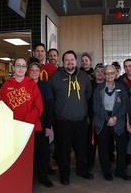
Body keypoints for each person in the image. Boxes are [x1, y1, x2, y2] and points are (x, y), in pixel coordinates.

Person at [49, 50, 93, 185]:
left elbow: (88, 94)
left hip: (80, 120)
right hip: (63, 121)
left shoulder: (84, 76)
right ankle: (65, 173)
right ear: (63, 62)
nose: (69, 62)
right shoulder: (55, 77)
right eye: (67, 60)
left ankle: (82, 170)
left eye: (72, 59)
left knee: (81, 148)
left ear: (75, 61)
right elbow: (52, 99)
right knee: (63, 150)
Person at [93, 65, 130, 181]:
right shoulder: (98, 88)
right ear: (104, 75)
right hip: (102, 119)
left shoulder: (121, 87)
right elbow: (96, 106)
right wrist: (107, 118)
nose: (109, 75)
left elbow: (125, 105)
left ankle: (120, 171)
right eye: (107, 73)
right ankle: (106, 171)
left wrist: (115, 117)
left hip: (117, 119)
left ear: (115, 74)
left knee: (122, 146)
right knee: (103, 148)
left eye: (111, 73)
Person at [27, 57, 54, 187]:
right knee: (29, 154)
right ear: (28, 71)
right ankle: (29, 178)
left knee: (43, 153)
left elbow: (49, 107)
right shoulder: (24, 85)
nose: (34, 72)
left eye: (37, 70)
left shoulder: (45, 86)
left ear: (40, 72)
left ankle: (43, 177)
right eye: (32, 70)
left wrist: (48, 126)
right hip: (26, 126)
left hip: (42, 125)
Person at [0, 57, 43, 132]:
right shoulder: (6, 85)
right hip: (12, 126)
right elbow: (1, 106)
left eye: (23, 66)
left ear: (26, 69)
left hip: (29, 126)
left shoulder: (32, 84)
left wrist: (26, 123)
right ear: (13, 68)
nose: (21, 68)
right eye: (18, 65)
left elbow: (38, 107)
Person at [87, 63, 105, 171]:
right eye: (97, 71)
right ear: (94, 73)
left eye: (102, 71)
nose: (100, 73)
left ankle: (105, 165)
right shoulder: (89, 84)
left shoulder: (108, 84)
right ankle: (90, 163)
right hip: (91, 118)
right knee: (91, 143)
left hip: (104, 119)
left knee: (103, 144)